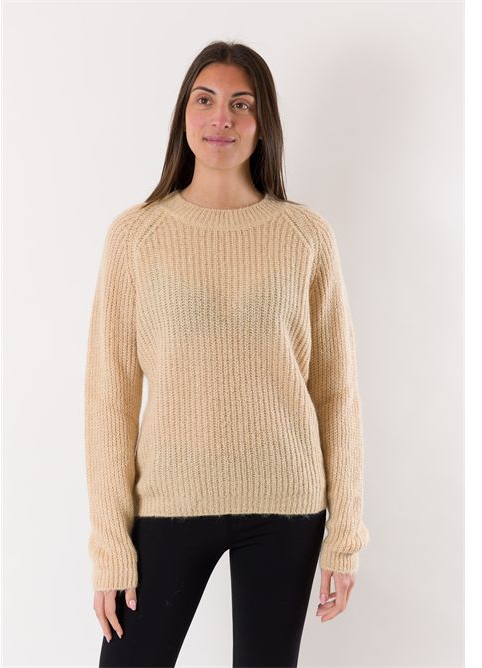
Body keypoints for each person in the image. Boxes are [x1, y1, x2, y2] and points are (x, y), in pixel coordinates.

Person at [84, 40, 370, 667]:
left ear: (263, 122)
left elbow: (335, 391)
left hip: (286, 504)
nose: (222, 118)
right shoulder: (136, 236)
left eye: (242, 104)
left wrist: (345, 534)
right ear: (183, 114)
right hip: (168, 501)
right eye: (205, 100)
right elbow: (110, 396)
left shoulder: (305, 235)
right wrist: (111, 546)